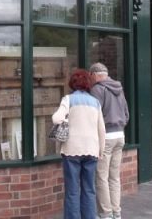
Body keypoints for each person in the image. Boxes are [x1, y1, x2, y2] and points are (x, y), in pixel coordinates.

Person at [53, 68, 106, 219]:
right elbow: (101, 129)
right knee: (89, 189)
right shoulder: (95, 102)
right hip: (92, 150)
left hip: (72, 150)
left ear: (73, 83)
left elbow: (56, 119)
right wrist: (101, 150)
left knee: (72, 190)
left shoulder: (68, 99)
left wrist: (66, 120)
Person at [89, 62, 129, 219]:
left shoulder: (97, 89)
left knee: (101, 177)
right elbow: (126, 113)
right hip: (120, 136)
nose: (90, 79)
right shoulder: (118, 88)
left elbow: (94, 115)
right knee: (114, 177)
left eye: (90, 76)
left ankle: (106, 214)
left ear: (95, 75)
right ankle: (116, 212)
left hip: (106, 137)